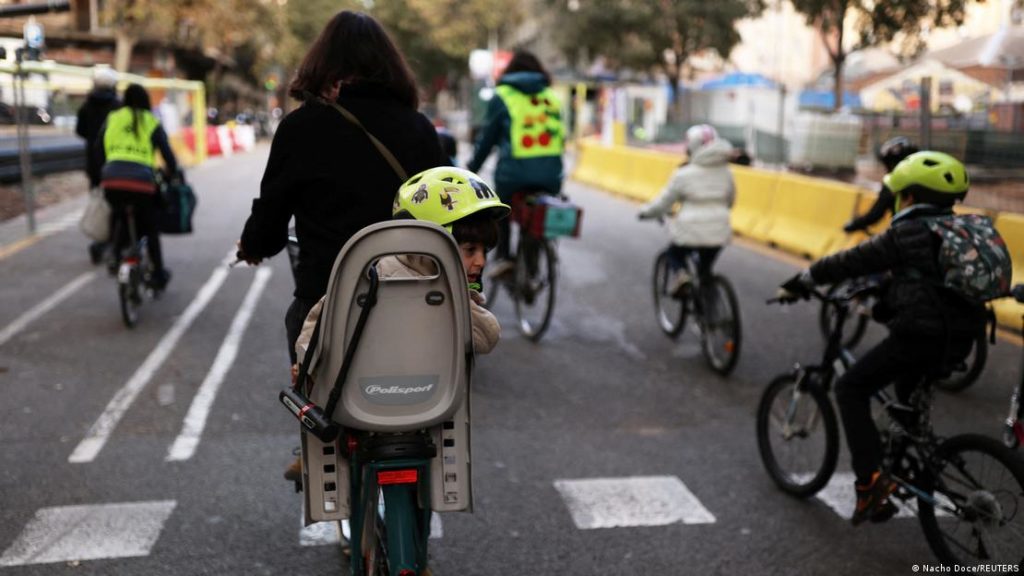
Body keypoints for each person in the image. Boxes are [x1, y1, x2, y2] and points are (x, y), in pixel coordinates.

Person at [778, 151, 989, 526]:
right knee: (905, 403)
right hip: (961, 337)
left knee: (850, 388)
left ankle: (870, 485)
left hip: (921, 336)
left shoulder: (907, 232)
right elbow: (929, 279)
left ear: (908, 197)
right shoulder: (960, 230)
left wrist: (805, 279)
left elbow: (852, 261)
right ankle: (906, 462)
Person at [236, 10, 445, 370]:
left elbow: (271, 215)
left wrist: (252, 246)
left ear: (325, 68)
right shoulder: (420, 129)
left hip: (326, 304)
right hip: (410, 301)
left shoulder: (301, 128)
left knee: (321, 406)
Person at [286, 167, 508, 482]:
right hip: (429, 401)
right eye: (470, 250)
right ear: (436, 238)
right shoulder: (449, 292)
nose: (481, 261)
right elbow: (486, 338)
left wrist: (304, 362)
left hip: (361, 401)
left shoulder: (370, 271)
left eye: (485, 251)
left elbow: (320, 320)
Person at [465, 50, 564, 277]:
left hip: (514, 176)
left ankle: (504, 257)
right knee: (537, 213)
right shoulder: (551, 96)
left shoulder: (503, 95)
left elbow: (488, 139)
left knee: (502, 209)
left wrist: (472, 170)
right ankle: (534, 261)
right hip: (551, 176)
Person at [96, 83, 177, 290]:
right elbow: (168, 156)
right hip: (142, 182)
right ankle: (158, 274)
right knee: (150, 228)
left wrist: (105, 173)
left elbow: (98, 149)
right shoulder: (151, 121)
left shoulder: (112, 118)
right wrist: (171, 174)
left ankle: (114, 256)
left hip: (112, 180)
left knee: (119, 215)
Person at [638, 124, 735, 294]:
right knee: (705, 271)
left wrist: (646, 212)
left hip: (690, 231)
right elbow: (730, 201)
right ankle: (711, 309)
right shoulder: (727, 173)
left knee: (673, 254)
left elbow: (664, 203)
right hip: (720, 231)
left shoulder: (683, 174)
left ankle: (681, 275)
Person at [76, 67, 121, 264]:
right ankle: (113, 241)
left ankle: (100, 240)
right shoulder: (118, 106)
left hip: (93, 164)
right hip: (114, 162)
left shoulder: (86, 106)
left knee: (98, 202)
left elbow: (80, 131)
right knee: (116, 204)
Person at [843, 136, 918, 233]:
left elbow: (875, 215)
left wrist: (855, 224)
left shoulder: (893, 184)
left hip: (904, 235)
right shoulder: (930, 180)